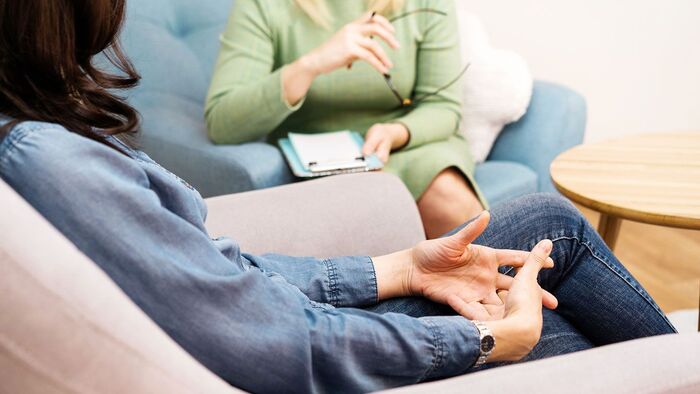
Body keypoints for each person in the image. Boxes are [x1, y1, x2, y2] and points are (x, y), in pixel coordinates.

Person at [0, 1, 676, 393]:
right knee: (571, 299)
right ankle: (677, 363)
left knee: (546, 226)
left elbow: (218, 276)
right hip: (319, 354)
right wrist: (488, 339)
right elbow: (278, 344)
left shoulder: (44, 152)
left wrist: (400, 268)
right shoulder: (47, 159)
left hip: (331, 259)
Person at [206, 0, 486, 238]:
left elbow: (442, 107)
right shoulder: (263, 6)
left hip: (410, 144)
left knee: (449, 200)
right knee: (373, 206)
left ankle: (509, 297)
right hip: (320, 159)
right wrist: (311, 64)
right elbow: (222, 122)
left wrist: (396, 132)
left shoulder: (425, 5)